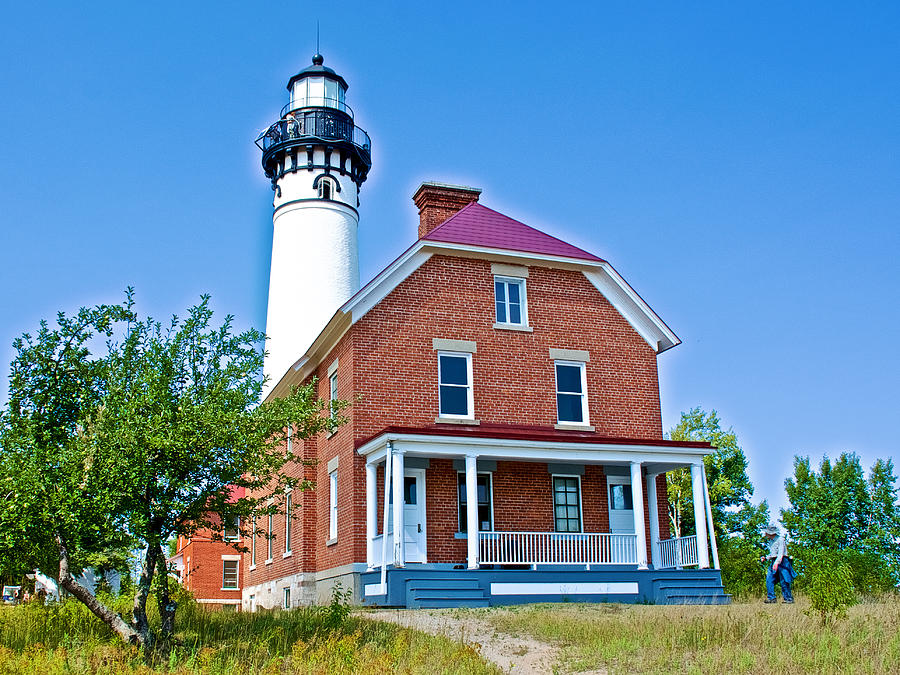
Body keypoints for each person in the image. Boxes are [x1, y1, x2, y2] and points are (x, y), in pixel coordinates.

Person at [762, 524, 794, 604]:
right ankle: (771, 598)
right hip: (774, 561)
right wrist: (766, 558)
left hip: (783, 561)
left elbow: (780, 553)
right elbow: (773, 553)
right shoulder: (771, 541)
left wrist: (777, 562)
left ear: (771, 533)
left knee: (784, 580)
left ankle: (788, 599)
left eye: (766, 532)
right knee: (769, 579)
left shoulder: (780, 539)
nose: (765, 534)